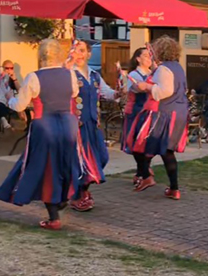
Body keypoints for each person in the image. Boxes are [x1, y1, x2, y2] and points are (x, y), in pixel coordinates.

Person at [0, 38, 82, 230]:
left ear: (40, 56)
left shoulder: (34, 77)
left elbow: (20, 105)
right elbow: (74, 94)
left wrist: (9, 99)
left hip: (45, 125)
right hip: (68, 124)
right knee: (66, 163)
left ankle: (54, 216)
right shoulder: (69, 74)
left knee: (45, 168)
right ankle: (64, 198)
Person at [127, 36, 189, 200]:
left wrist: (146, 86)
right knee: (166, 151)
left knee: (141, 144)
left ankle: (146, 175)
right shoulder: (177, 67)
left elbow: (164, 91)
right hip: (178, 112)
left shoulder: (164, 69)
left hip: (165, 113)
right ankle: (174, 188)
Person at [70, 40, 118, 212]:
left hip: (93, 124)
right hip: (77, 125)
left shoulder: (94, 75)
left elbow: (107, 93)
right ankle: (77, 196)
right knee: (80, 161)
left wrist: (119, 92)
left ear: (89, 54)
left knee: (102, 157)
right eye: (75, 50)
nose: (79, 54)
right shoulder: (69, 74)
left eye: (82, 51)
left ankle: (83, 189)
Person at [121, 46, 154, 185]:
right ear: (138, 59)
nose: (149, 58)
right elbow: (137, 89)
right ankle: (143, 172)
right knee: (135, 142)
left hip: (149, 112)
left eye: (150, 55)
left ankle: (142, 171)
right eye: (146, 56)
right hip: (136, 112)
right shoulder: (134, 75)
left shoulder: (153, 73)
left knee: (148, 143)